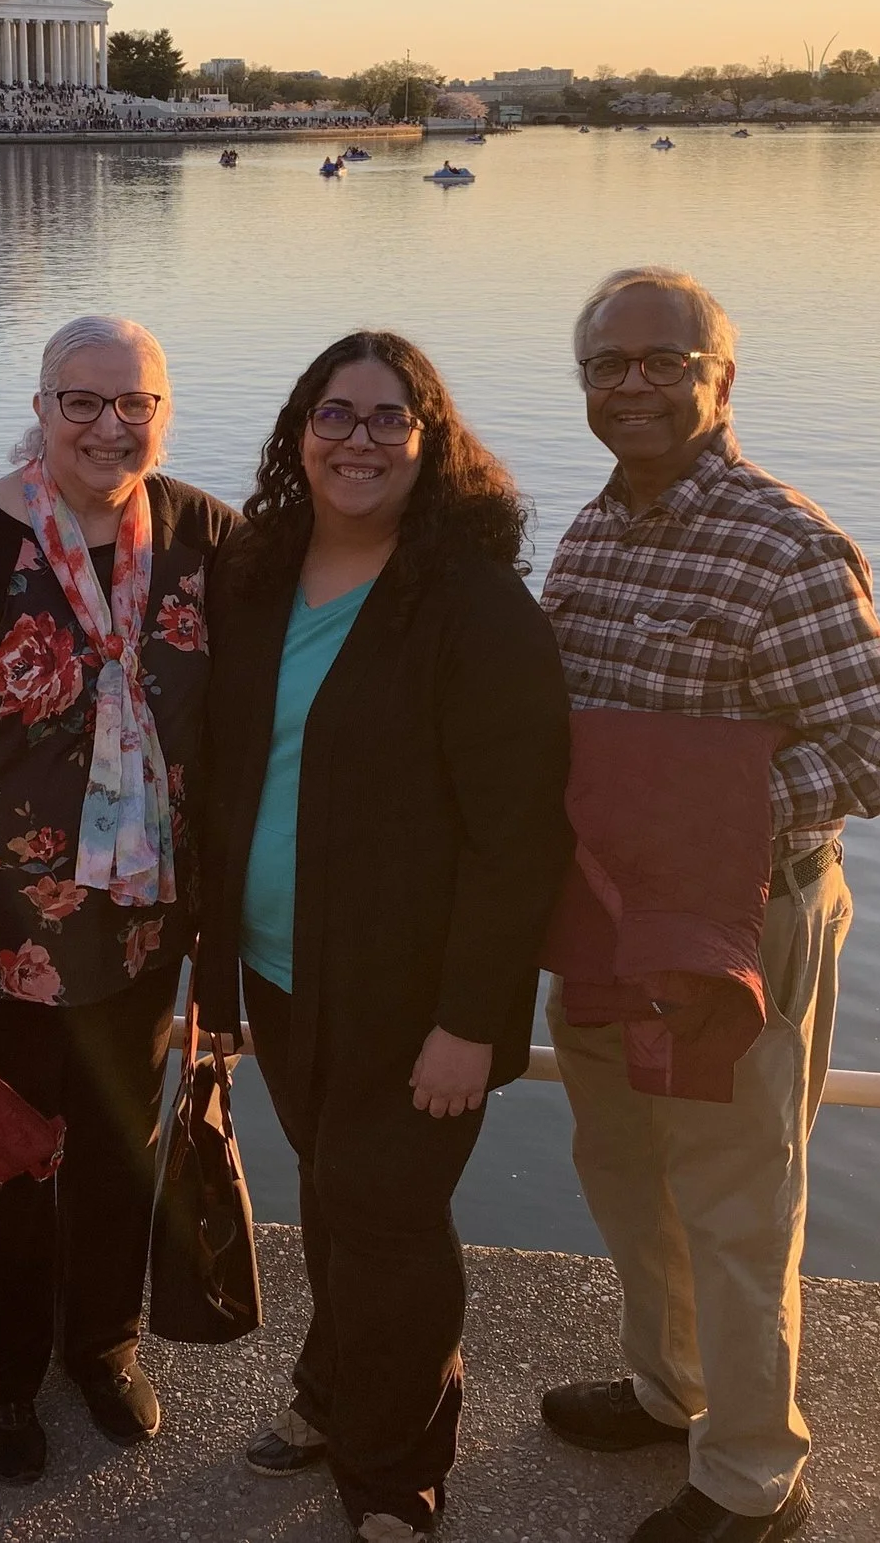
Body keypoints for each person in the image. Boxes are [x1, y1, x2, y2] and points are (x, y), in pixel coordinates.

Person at [536, 268, 880, 1543]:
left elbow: (876, 751)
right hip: (606, 922)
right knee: (625, 1170)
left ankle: (754, 1474)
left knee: (737, 1197)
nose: (632, 385)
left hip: (742, 922)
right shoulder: (590, 533)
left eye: (663, 362)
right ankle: (670, 1386)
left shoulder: (785, 543)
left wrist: (691, 816)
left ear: (720, 380)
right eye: (608, 364)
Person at [196, 332, 571, 1541]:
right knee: (336, 1197)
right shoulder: (255, 571)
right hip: (280, 968)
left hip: (414, 996)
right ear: (297, 434)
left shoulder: (470, 605)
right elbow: (225, 774)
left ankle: (394, 1473)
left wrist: (471, 1023)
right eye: (333, 414)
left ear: (430, 443)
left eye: (386, 419)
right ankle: (331, 1391)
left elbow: (517, 839)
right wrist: (214, 973)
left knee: (391, 1227)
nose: (356, 440)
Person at [0, 314, 238, 1486]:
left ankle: (102, 1344)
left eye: (135, 403)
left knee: (120, 1157)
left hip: (142, 932)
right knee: (5, 1165)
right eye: (81, 402)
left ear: (164, 412)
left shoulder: (203, 536)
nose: (108, 426)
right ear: (39, 408)